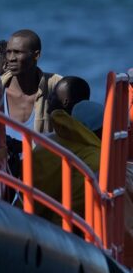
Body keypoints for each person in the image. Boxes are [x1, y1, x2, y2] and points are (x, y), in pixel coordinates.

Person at [33, 96, 104, 225]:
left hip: (23, 218)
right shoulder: (93, 160)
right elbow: (70, 213)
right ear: (99, 130)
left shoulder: (49, 141)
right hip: (53, 233)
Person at [0, 29, 61, 178]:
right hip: (2, 177)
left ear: (36, 55)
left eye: (18, 52)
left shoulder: (55, 87)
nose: (11, 58)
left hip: (42, 178)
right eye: (8, 52)